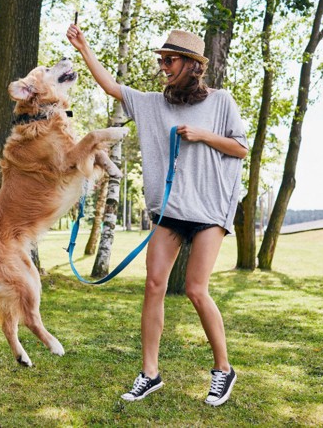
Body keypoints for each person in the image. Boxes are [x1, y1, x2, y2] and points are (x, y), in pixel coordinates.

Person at [66, 25, 248, 406]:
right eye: (160, 60)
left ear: (193, 65)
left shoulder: (221, 101)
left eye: (170, 60)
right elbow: (113, 88)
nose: (163, 66)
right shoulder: (153, 103)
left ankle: (223, 370)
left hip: (209, 209)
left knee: (197, 290)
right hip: (169, 210)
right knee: (153, 285)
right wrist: (84, 48)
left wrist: (202, 135)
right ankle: (150, 373)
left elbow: (239, 149)